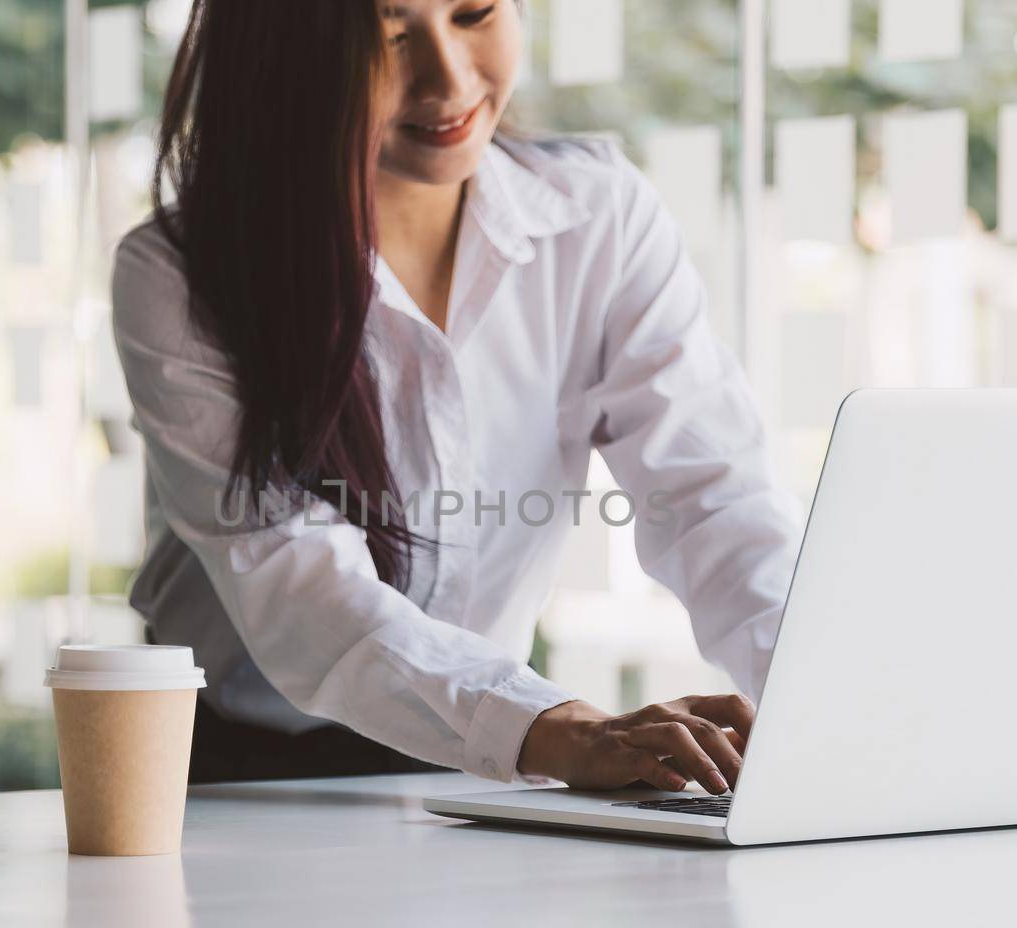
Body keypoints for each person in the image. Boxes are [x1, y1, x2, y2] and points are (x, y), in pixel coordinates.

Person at [112, 0, 802, 792]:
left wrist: (820, 699)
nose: (448, 77)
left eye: (474, 12)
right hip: (246, 777)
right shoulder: (179, 275)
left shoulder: (597, 218)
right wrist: (550, 726)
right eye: (389, 38)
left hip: (490, 762)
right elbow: (299, 585)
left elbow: (717, 498)